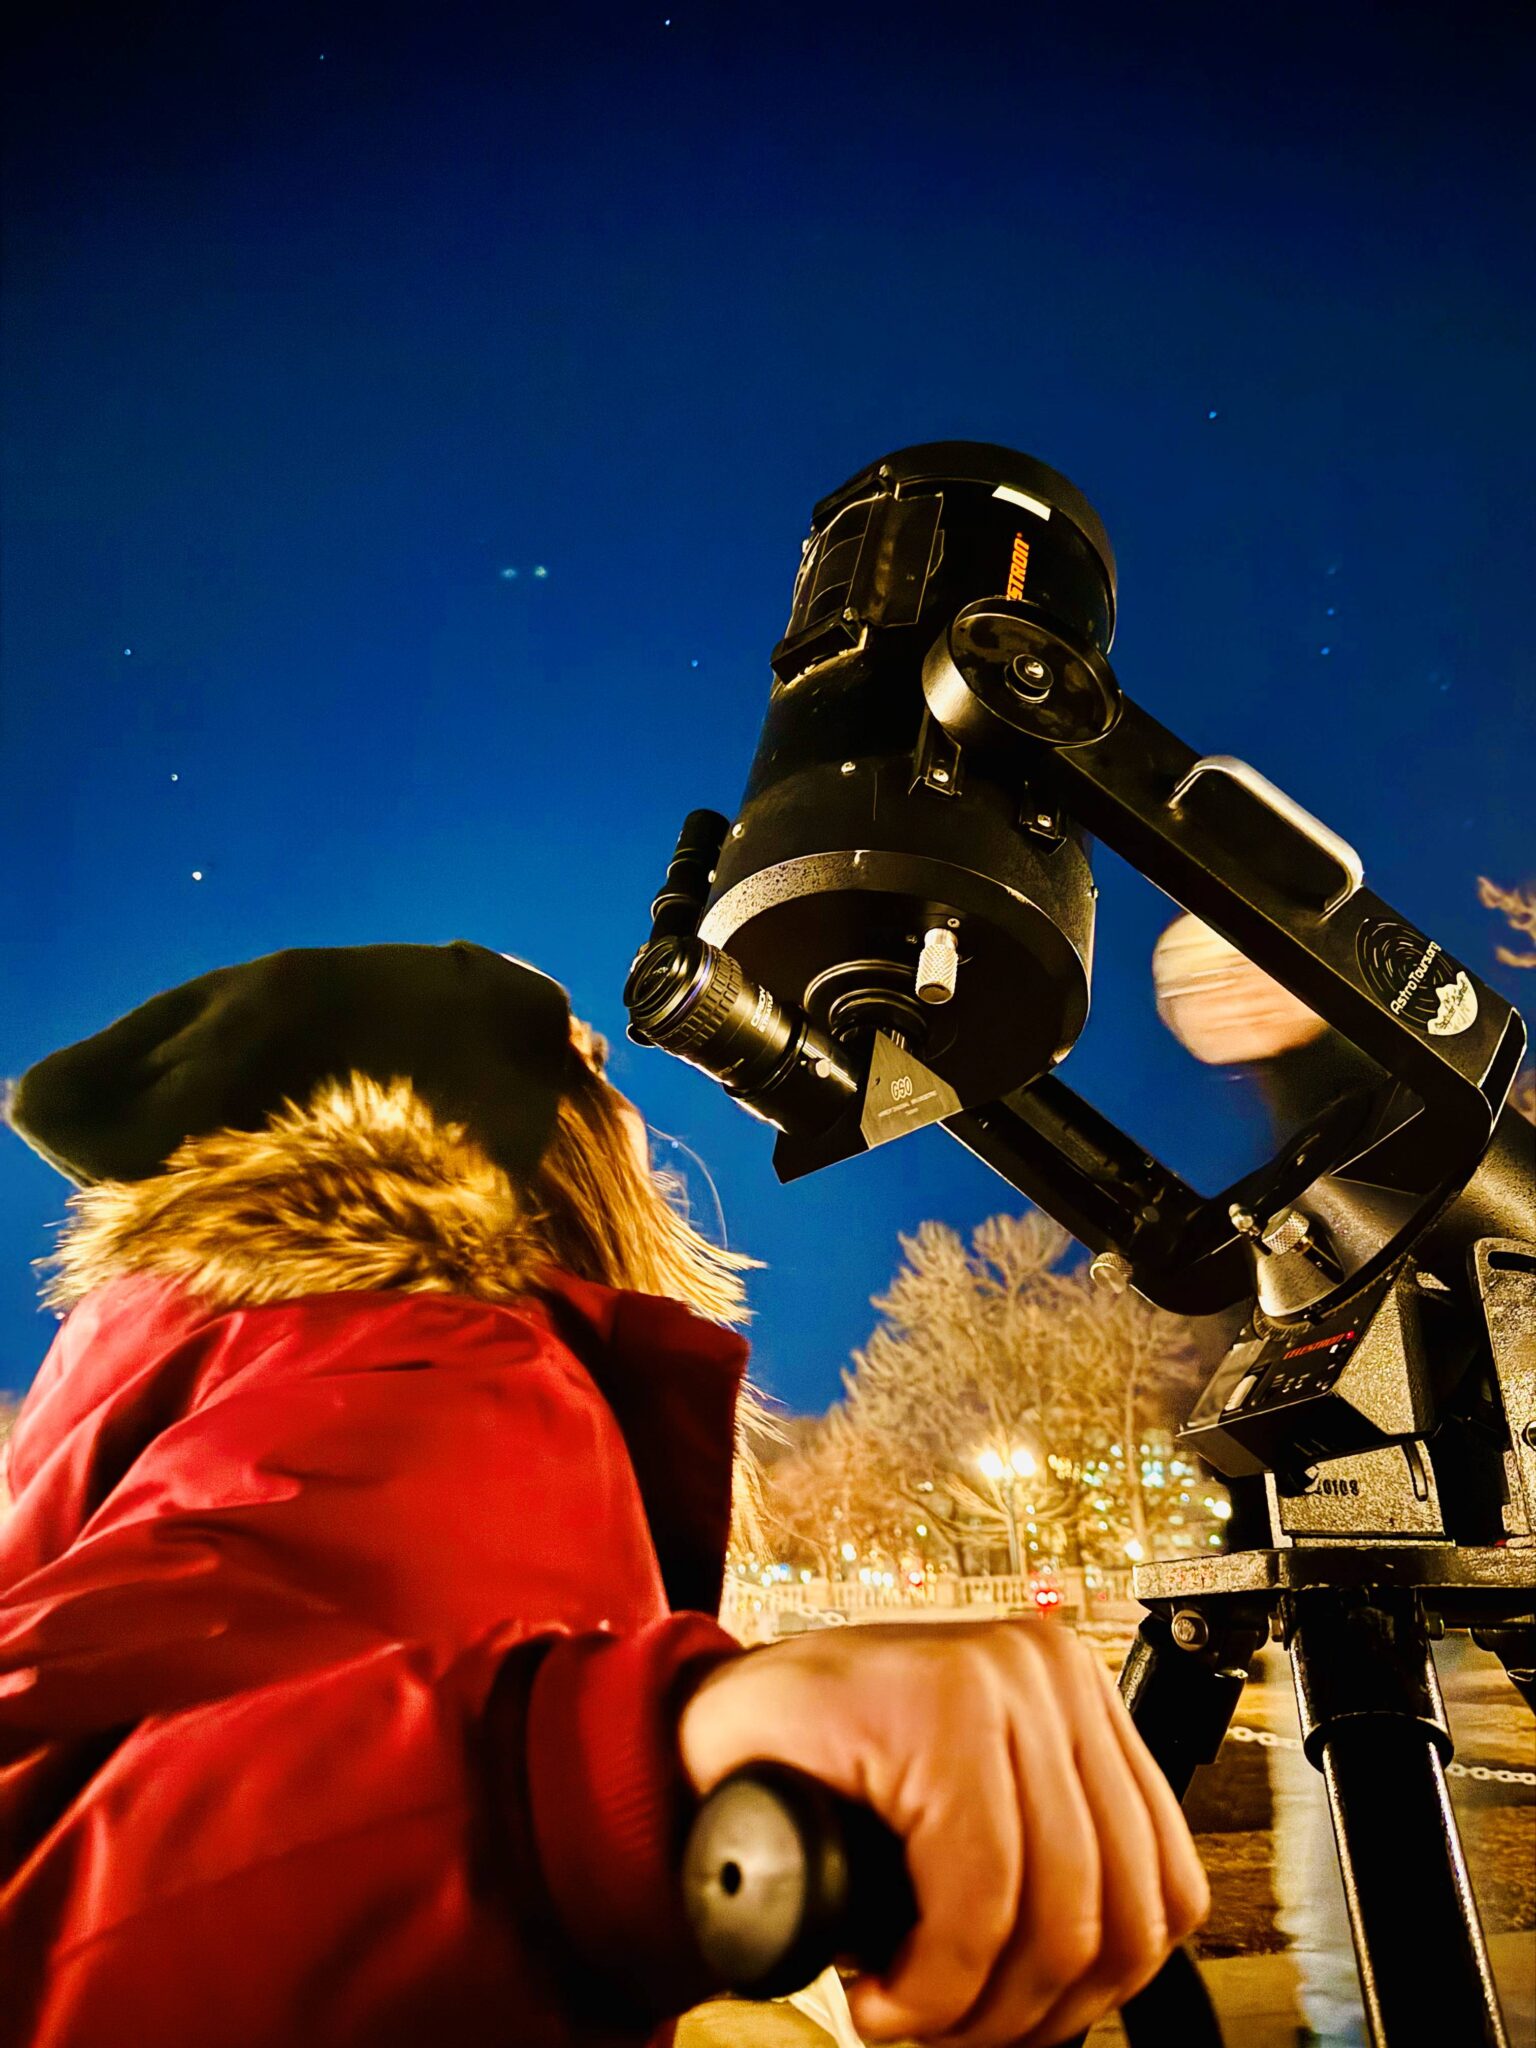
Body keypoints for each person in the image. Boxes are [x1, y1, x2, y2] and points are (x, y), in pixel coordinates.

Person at [0, 940, 1207, 2048]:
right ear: (505, 1126)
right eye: (584, 1061)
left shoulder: (221, 1368)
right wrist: (600, 1782)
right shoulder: (433, 1361)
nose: (637, 1110)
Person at [1153, 913, 1369, 2048]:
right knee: (1328, 1820)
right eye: (1189, 985)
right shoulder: (1312, 1110)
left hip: (1370, 1499)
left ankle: (1351, 2016)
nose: (1215, 999)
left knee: (1348, 1807)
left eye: (1236, 969)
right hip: (1317, 1503)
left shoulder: (1362, 1084)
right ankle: (1343, 2015)